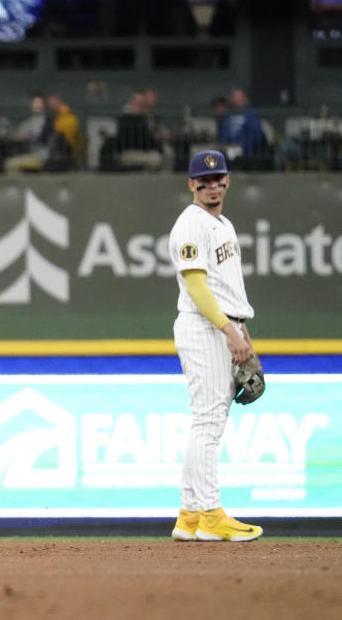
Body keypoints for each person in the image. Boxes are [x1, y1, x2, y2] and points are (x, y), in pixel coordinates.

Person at [167, 149, 263, 542]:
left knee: (206, 420)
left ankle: (189, 516)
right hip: (205, 327)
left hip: (223, 326)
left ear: (227, 181)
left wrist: (244, 337)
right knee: (209, 420)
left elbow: (229, 289)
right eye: (202, 181)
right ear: (191, 184)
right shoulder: (190, 225)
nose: (211, 185)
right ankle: (211, 515)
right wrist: (228, 331)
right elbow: (196, 287)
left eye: (217, 178)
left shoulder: (221, 223)